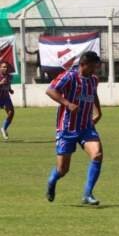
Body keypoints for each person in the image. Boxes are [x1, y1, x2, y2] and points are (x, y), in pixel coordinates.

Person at [44, 51, 104, 205]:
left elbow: (93, 93)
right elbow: (50, 90)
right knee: (63, 170)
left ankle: (87, 193)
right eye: (93, 66)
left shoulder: (93, 80)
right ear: (83, 65)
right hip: (67, 128)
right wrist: (67, 104)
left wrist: (98, 111)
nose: (95, 70)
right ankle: (52, 180)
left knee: (97, 155)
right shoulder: (69, 76)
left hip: (86, 127)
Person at [0, 61, 14, 140]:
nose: (5, 68)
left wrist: (10, 90)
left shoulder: (9, 76)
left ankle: (3, 128)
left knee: (11, 113)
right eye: (3, 67)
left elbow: (8, 84)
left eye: (6, 67)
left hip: (5, 97)